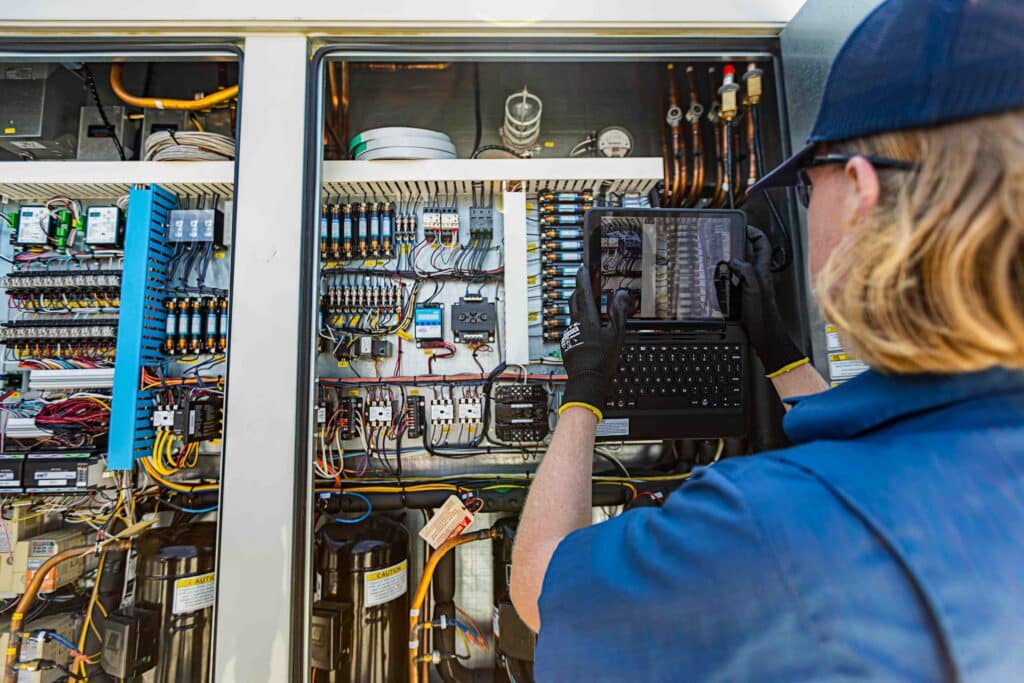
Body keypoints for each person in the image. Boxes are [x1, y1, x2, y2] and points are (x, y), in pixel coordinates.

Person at [508, 0, 1024, 680]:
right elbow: (878, 452)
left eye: (809, 192)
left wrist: (583, 393)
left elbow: (540, 586)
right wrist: (780, 355)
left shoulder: (764, 529)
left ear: (862, 192)